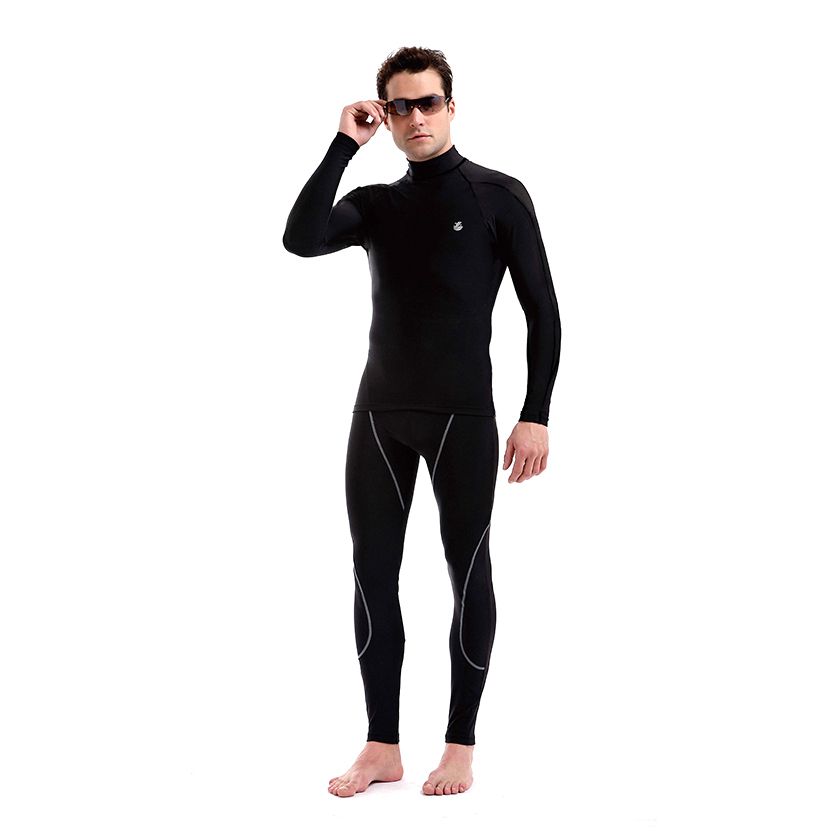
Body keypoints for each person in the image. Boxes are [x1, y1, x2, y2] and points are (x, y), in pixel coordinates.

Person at [282, 46, 561, 797]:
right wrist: (344, 143)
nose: (414, 118)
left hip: (462, 416)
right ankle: (382, 746)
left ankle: (459, 746)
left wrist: (535, 415)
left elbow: (543, 311)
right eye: (398, 107)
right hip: (378, 414)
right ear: (385, 114)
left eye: (427, 102)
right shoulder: (376, 204)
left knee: (467, 572)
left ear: (451, 106)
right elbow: (301, 237)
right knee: (372, 574)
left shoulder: (497, 195)